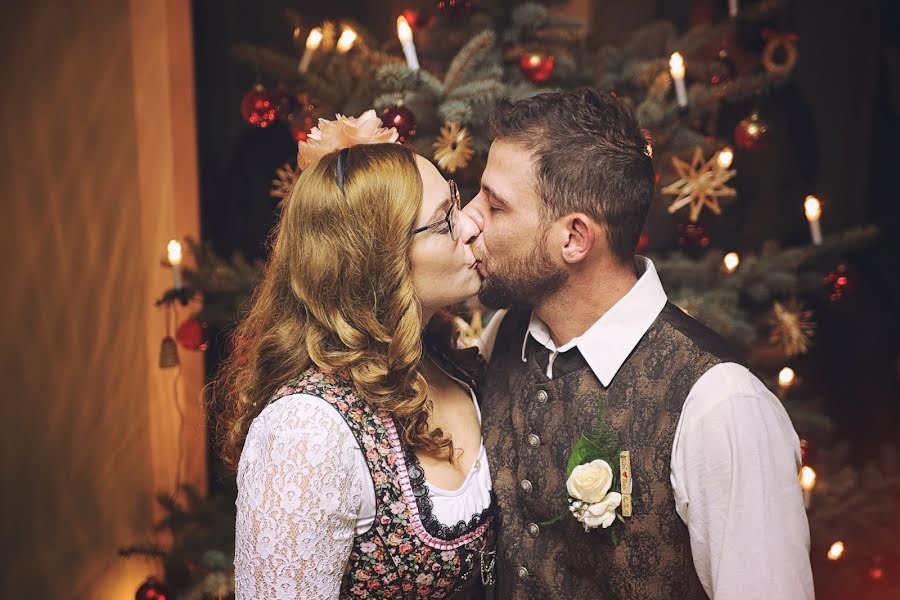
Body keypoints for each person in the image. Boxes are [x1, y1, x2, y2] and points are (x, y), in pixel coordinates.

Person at [463, 89, 814, 599]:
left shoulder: (721, 405)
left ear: (575, 239)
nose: (469, 219)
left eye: (495, 206)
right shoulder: (505, 336)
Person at [217, 113, 496, 599]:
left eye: (456, 200)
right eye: (444, 220)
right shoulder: (307, 432)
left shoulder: (455, 363)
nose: (470, 223)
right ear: (379, 260)